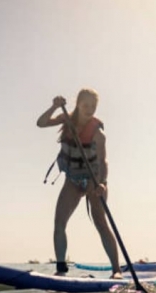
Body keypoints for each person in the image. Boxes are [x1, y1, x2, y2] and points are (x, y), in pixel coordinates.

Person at [37, 88, 122, 279]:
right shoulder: (67, 118)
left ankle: (116, 270)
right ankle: (61, 269)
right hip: (73, 180)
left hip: (94, 181)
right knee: (59, 222)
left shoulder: (98, 133)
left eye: (93, 106)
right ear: (78, 104)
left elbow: (103, 161)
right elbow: (41, 123)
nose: (89, 109)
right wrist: (53, 107)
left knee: (101, 222)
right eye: (86, 105)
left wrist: (102, 183)